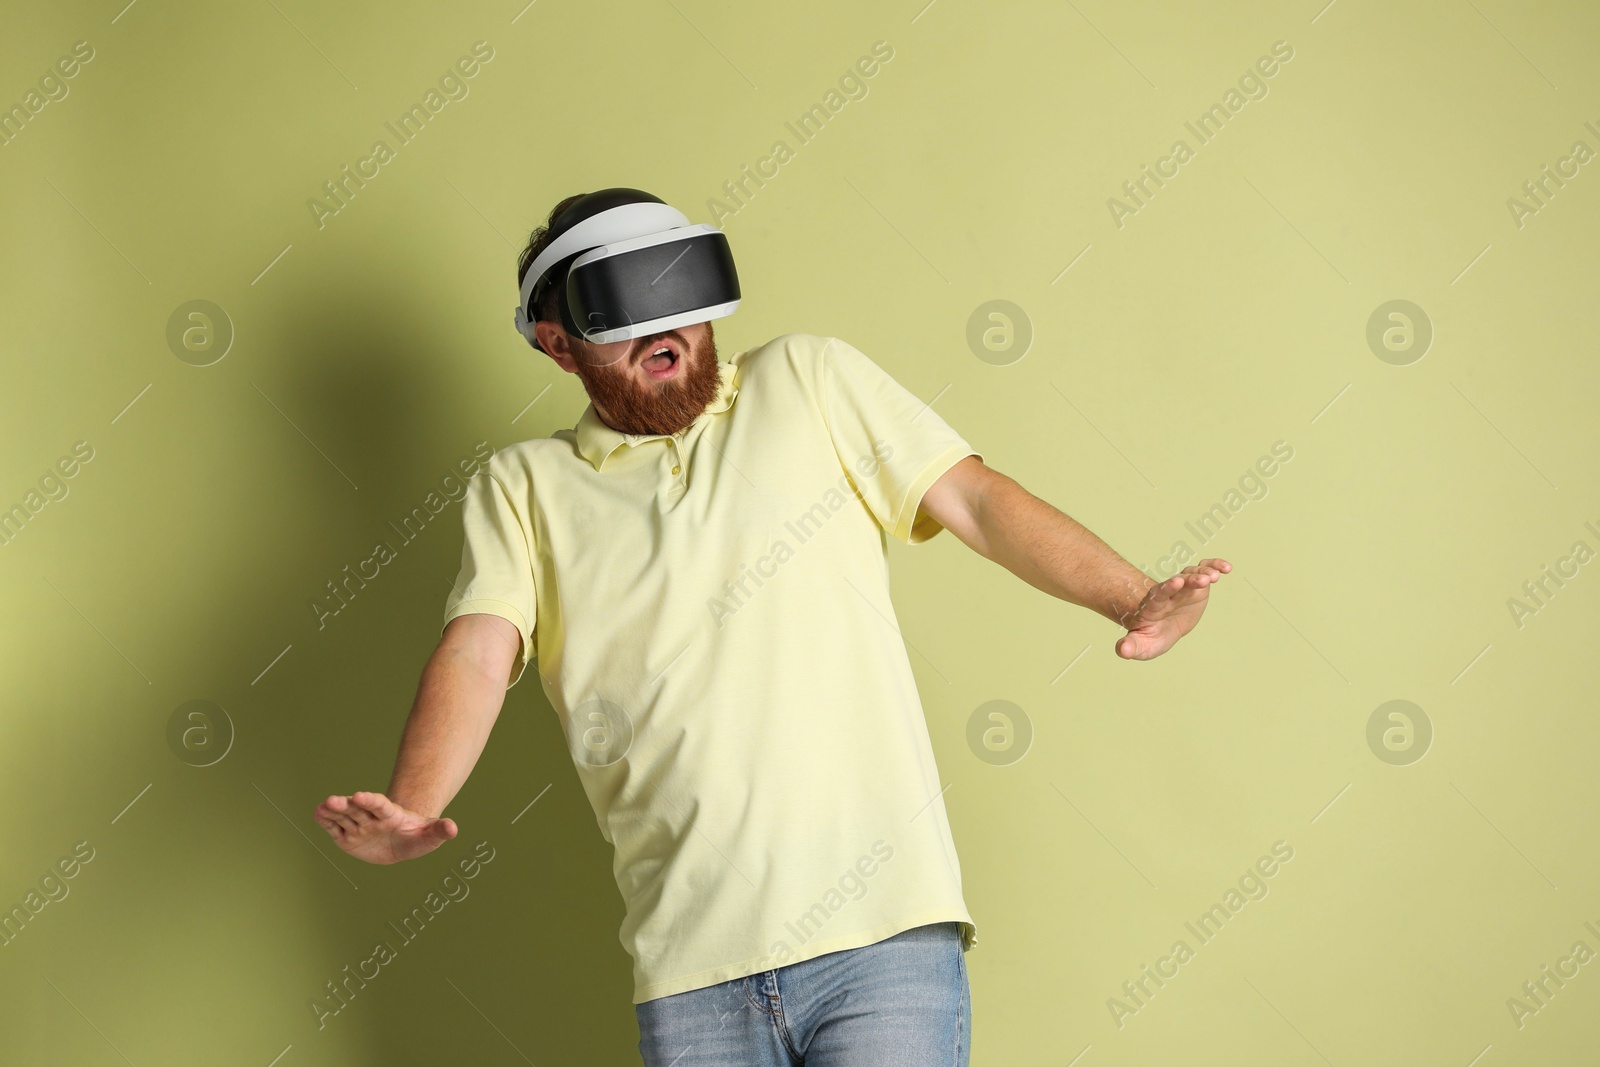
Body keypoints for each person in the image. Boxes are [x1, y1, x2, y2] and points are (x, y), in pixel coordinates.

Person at [314, 189, 1230, 1066]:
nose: (665, 327)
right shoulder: (521, 487)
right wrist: (415, 804)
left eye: (677, 289)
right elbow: (478, 651)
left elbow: (978, 501)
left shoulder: (810, 380)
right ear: (559, 344)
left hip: (883, 936)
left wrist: (1133, 596)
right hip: (689, 971)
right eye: (622, 309)